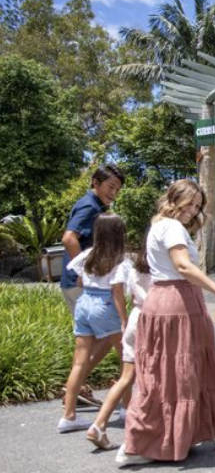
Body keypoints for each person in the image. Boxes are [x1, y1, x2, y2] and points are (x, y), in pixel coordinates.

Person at [117, 179, 215, 467]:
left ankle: (211, 430)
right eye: (190, 203)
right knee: (190, 369)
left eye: (198, 206)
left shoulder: (158, 226)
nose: (193, 210)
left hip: (162, 299)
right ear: (175, 200)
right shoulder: (172, 227)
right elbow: (184, 266)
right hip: (179, 301)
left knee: (165, 373)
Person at [60, 164, 125, 408]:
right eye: (110, 187)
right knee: (109, 336)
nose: (114, 192)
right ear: (95, 183)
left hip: (84, 283)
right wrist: (82, 272)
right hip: (81, 284)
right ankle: (74, 387)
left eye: (117, 189)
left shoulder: (96, 205)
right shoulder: (89, 205)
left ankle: (75, 387)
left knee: (102, 338)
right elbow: (69, 238)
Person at [59, 214, 130, 433]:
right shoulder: (121, 261)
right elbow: (118, 292)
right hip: (105, 304)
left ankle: (68, 416)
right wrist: (124, 321)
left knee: (79, 362)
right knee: (125, 359)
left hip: (84, 303)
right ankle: (127, 409)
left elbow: (79, 280)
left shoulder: (87, 254)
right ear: (120, 235)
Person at [85, 231, 151, 450]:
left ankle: (98, 424)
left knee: (126, 376)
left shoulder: (134, 269)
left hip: (134, 320)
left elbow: (130, 295)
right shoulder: (162, 272)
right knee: (153, 377)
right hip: (150, 323)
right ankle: (144, 431)